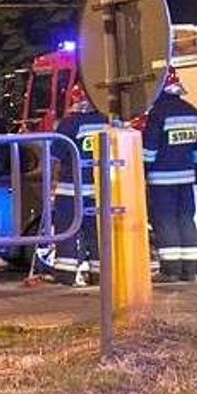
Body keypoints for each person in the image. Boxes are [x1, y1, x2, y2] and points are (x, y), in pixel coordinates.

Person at [142, 67, 197, 283]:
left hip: (161, 179)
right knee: (186, 220)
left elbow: (148, 151)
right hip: (187, 178)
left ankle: (170, 270)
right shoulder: (193, 112)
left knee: (165, 221)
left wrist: (142, 172)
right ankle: (189, 269)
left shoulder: (157, 113)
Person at [51, 83, 108, 286]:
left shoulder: (69, 124)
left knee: (67, 232)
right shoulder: (106, 121)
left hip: (71, 189)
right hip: (101, 189)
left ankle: (65, 275)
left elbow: (56, 154)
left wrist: (52, 183)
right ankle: (100, 275)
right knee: (97, 233)